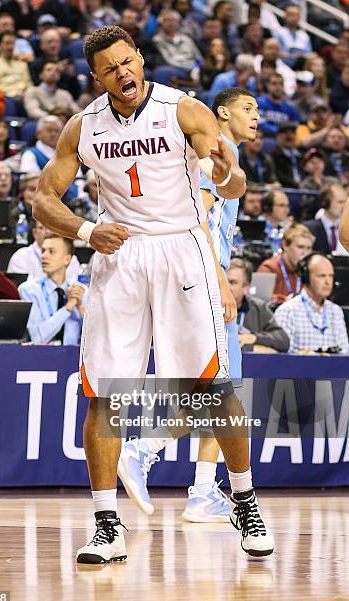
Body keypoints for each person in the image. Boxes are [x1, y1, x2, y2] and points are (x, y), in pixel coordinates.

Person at [33, 26, 273, 562]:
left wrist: (226, 169)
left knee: (210, 388)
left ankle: (244, 499)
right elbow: (43, 200)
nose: (123, 73)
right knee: (103, 394)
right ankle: (105, 524)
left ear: (141, 60)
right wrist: (83, 231)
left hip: (181, 248)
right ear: (95, 78)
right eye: (110, 68)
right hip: (118, 252)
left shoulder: (183, 110)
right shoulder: (83, 126)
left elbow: (232, 185)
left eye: (128, 61)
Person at [119, 87, 263, 524]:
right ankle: (142, 447)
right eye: (247, 108)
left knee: (220, 392)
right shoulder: (212, 156)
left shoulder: (228, 159)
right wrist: (220, 280)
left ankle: (202, 490)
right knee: (221, 394)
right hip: (200, 275)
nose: (256, 115)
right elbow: (196, 220)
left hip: (196, 276)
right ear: (222, 113)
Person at [275, 253, 349, 354]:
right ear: (306, 277)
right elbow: (283, 356)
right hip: (299, 369)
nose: (328, 282)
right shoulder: (287, 312)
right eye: (322, 276)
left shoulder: (336, 311)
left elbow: (344, 353)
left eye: (330, 276)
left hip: (333, 369)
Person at [19, 234, 86, 344]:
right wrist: (68, 307)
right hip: (42, 357)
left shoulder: (81, 291)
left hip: (74, 357)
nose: (44, 256)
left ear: (67, 259)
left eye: (51, 251)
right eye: (43, 251)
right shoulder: (29, 290)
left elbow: (96, 338)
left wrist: (80, 308)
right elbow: (37, 338)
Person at [227, 258, 289, 353]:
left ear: (246, 288)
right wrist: (251, 348)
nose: (226, 287)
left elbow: (283, 340)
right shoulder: (210, 308)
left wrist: (254, 338)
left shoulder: (258, 307)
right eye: (223, 282)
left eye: (232, 282)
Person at [258, 223, 314, 306]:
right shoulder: (268, 268)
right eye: (300, 247)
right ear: (285, 245)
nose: (305, 253)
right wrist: (282, 301)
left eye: (308, 248)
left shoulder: (308, 270)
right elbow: (259, 299)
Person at [7, 219, 80, 280]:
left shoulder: (71, 258)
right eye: (42, 228)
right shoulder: (21, 256)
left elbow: (72, 286)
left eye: (51, 227)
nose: (47, 231)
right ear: (34, 233)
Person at [0, 30, 33, 98]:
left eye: (12, 43)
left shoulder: (22, 64)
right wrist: (12, 93)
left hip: (24, 95)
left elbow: (29, 84)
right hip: (5, 96)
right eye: (7, 43)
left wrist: (25, 93)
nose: (10, 47)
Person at [304, 184, 346, 254]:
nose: (344, 206)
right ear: (325, 203)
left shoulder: (346, 229)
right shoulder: (308, 228)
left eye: (345, 202)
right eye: (340, 202)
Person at [271, 122, 303, 188]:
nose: (289, 135)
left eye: (292, 132)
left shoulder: (300, 156)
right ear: (278, 136)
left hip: (302, 190)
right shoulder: (273, 155)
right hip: (285, 190)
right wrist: (298, 185)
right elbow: (279, 176)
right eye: (285, 132)